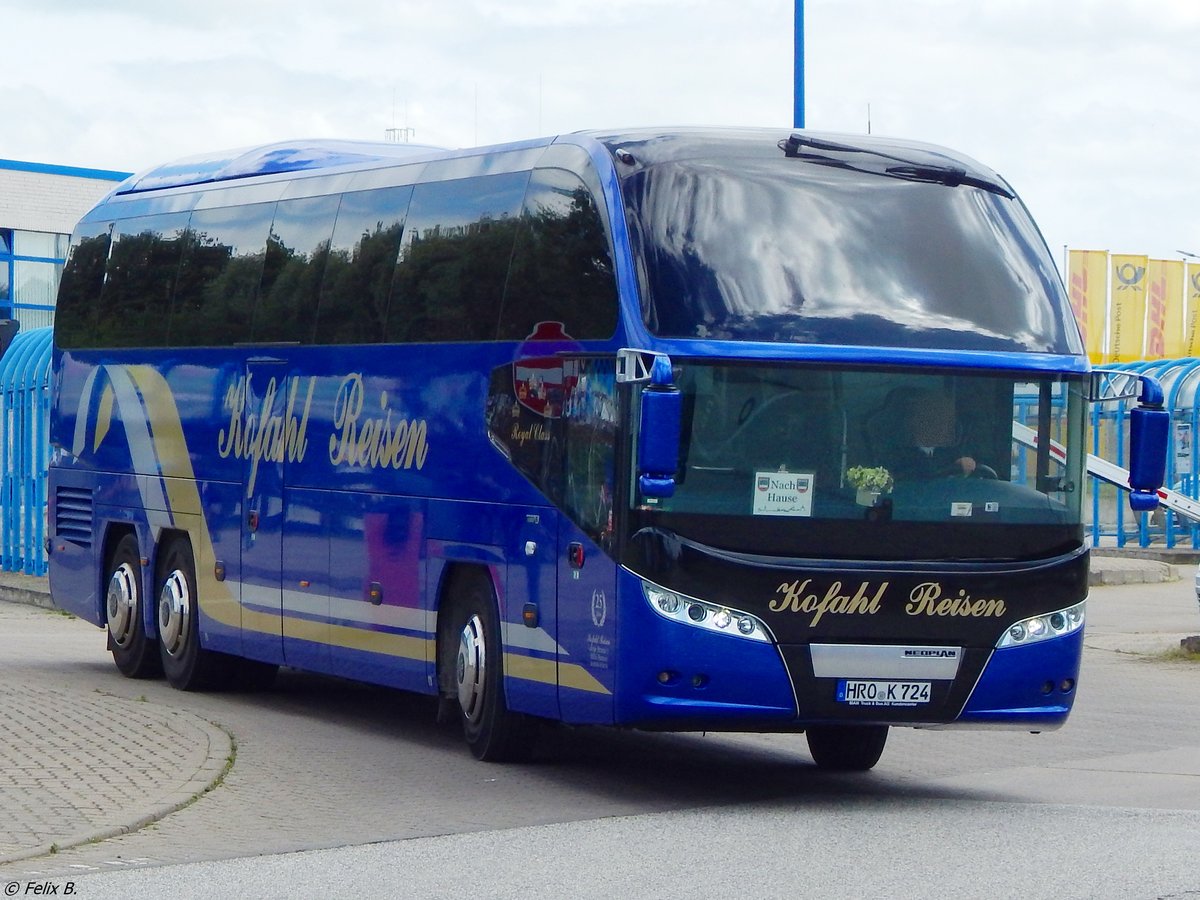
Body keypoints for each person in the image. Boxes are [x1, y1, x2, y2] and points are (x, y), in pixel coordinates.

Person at [888, 389, 977, 479]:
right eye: (930, 417)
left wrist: (965, 465)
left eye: (943, 418)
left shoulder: (955, 450)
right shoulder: (895, 452)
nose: (940, 424)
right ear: (912, 421)